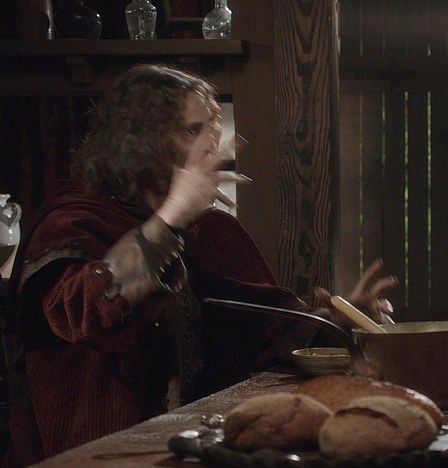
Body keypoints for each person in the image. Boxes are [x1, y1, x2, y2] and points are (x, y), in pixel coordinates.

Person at [1, 64, 397, 466]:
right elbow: (87, 315)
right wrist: (170, 217)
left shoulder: (214, 231)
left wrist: (336, 319)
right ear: (137, 143)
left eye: (213, 129)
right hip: (103, 454)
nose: (212, 145)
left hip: (202, 446)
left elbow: (263, 329)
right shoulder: (74, 224)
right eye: (192, 131)